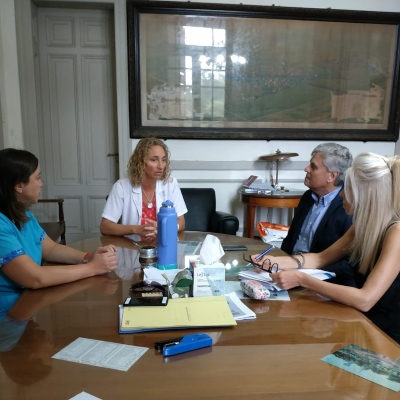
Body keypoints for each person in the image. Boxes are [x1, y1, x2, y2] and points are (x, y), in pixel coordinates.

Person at [251, 152, 400, 343]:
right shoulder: (362, 226)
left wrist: (302, 279)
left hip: (388, 334)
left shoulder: (396, 232)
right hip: (364, 322)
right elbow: (320, 258)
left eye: (348, 188)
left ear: (366, 195)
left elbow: (365, 300)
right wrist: (275, 261)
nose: (342, 194)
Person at [0, 148, 117, 291]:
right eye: (37, 178)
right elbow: (35, 278)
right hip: (15, 304)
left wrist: (88, 257)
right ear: (19, 186)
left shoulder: (24, 213)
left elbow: (50, 249)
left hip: (31, 297)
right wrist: (92, 268)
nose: (41, 184)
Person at [280, 142, 354, 286]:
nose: (306, 169)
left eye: (313, 167)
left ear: (331, 176)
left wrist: (303, 276)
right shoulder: (308, 197)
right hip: (289, 272)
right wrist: (278, 263)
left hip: (322, 283)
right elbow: (290, 240)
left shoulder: (348, 207)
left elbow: (348, 265)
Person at [100, 137, 187, 239]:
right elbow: (105, 226)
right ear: (140, 162)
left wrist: (165, 228)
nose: (161, 166)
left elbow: (181, 222)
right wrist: (135, 229)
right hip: (132, 246)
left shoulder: (170, 183)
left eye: (163, 160)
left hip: (164, 244)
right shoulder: (121, 187)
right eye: (154, 160)